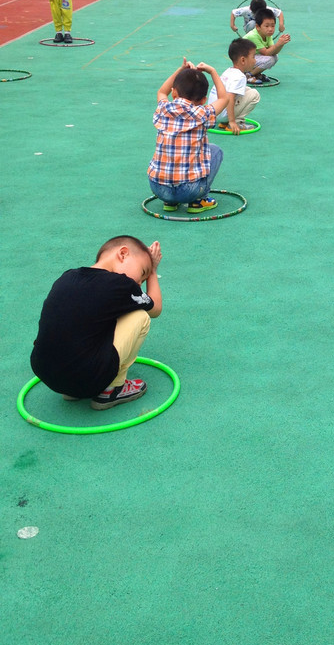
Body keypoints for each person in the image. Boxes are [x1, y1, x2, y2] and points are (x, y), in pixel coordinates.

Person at [30, 236, 163, 409]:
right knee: (140, 316)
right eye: (142, 272)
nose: (139, 284)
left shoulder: (67, 277)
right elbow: (156, 309)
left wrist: (146, 269)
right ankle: (113, 388)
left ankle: (72, 391)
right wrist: (153, 271)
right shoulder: (121, 285)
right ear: (123, 254)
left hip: (46, 374)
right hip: (88, 378)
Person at [147, 58, 235, 214]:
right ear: (203, 100)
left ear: (174, 92)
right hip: (189, 191)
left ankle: (169, 202)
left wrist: (181, 69)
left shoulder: (164, 108)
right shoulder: (203, 113)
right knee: (215, 151)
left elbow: (161, 92)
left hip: (158, 188)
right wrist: (213, 71)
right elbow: (224, 98)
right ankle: (198, 201)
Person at [209, 39, 261, 131]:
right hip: (222, 113)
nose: (255, 60)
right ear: (243, 60)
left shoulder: (229, 71)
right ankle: (237, 122)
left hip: (214, 112)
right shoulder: (240, 77)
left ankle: (225, 122)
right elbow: (230, 97)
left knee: (247, 90)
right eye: (253, 57)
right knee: (254, 94)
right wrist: (232, 121)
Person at [243, 7, 291, 84]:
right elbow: (266, 53)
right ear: (258, 27)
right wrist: (278, 44)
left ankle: (255, 74)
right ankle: (248, 75)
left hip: (251, 58)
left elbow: (273, 51)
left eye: (273, 26)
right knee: (270, 59)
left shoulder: (267, 34)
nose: (270, 29)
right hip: (242, 61)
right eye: (267, 26)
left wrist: (281, 44)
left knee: (275, 57)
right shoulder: (253, 36)